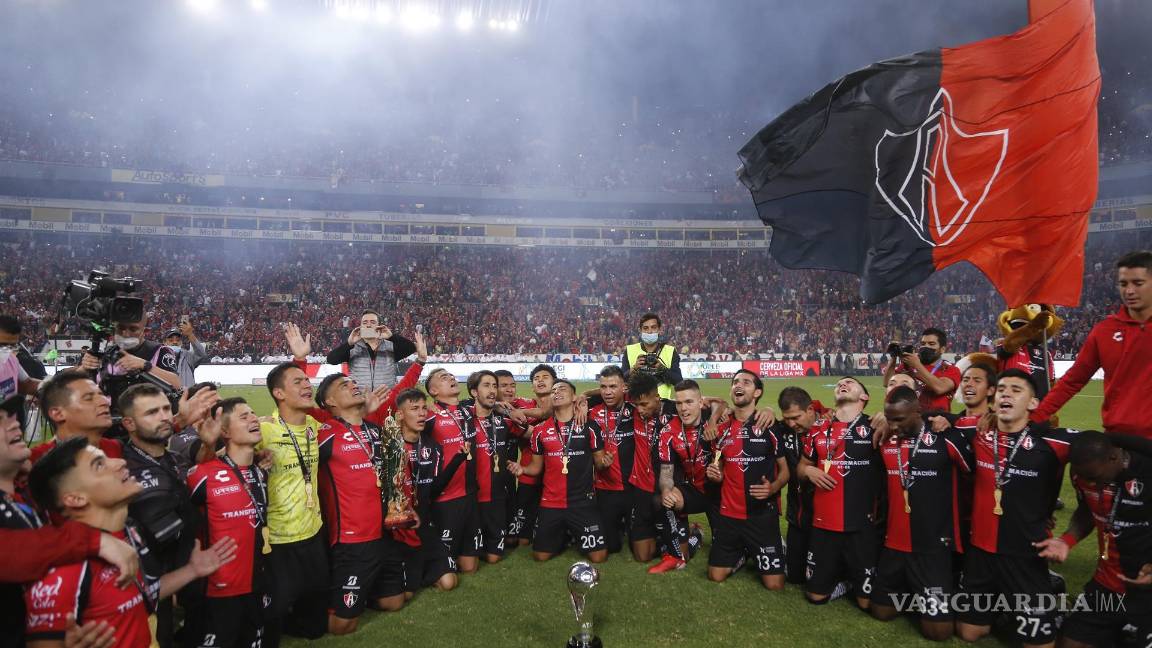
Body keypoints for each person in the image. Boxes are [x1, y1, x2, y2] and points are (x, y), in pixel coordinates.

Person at [24, 437, 236, 648]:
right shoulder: (64, 568)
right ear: (75, 499)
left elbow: (139, 597)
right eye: (99, 465)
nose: (120, 462)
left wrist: (191, 570)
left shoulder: (128, 531)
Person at [954, 369, 1077, 647]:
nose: (1006, 393)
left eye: (1016, 390)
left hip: (1025, 554)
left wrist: (1069, 538)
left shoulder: (1054, 441)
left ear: (1033, 404)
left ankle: (1047, 596)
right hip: (981, 552)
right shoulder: (977, 432)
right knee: (969, 633)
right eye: (1002, 389)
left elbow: (1104, 447)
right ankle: (1008, 609)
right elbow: (927, 420)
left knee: (1039, 644)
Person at [870, 386, 972, 641]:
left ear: (918, 412)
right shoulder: (885, 439)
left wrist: (950, 419)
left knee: (938, 633)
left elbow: (975, 475)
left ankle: (933, 593)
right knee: (881, 613)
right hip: (894, 545)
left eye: (899, 419)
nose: (893, 426)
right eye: (889, 418)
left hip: (932, 548)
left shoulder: (945, 437)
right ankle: (915, 592)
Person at [1040, 432, 1152, 648]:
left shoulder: (1146, 472)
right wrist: (1066, 540)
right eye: (1085, 478)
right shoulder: (1082, 474)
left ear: (1113, 457)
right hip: (1106, 585)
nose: (1092, 484)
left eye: (1094, 477)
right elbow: (1086, 511)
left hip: (1146, 590)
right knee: (1068, 644)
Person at [312, 371, 402, 634]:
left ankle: (361, 591)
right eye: (344, 386)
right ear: (329, 401)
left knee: (394, 601)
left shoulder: (375, 430)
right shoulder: (324, 435)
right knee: (343, 625)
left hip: (384, 532)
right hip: (352, 540)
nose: (353, 386)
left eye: (353, 383)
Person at [1032, 251, 1152, 436]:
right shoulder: (1104, 331)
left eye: (1138, 283)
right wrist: (1037, 417)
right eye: (1123, 284)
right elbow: (1072, 380)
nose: (1129, 291)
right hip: (1118, 443)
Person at [118, 384, 199, 648]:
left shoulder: (174, 459)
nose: (165, 416)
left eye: (166, 408)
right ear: (129, 423)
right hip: (149, 585)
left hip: (187, 573)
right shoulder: (120, 466)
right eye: (152, 412)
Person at [186, 398, 271, 648]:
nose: (254, 419)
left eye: (254, 414)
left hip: (257, 583)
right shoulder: (202, 475)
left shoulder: (261, 471)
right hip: (218, 589)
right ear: (224, 432)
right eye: (243, 417)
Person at [254, 362, 328, 642]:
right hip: (279, 538)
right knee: (271, 620)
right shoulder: (265, 430)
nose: (307, 385)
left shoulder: (314, 425)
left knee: (316, 628)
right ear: (279, 393)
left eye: (307, 381)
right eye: (297, 382)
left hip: (314, 531)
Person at [797, 376, 882, 610]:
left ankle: (854, 582)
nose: (842, 385)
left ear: (864, 397)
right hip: (824, 525)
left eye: (850, 383)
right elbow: (801, 467)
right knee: (815, 597)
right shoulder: (817, 429)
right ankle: (845, 583)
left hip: (861, 526)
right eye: (839, 384)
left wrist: (887, 418)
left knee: (867, 604)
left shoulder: (875, 427)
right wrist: (809, 471)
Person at [508, 380, 609, 563]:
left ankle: (570, 532)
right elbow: (536, 468)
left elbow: (600, 463)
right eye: (553, 390)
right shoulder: (540, 431)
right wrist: (522, 469)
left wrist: (605, 462)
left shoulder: (589, 426)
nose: (556, 392)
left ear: (573, 397)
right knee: (540, 556)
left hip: (582, 502)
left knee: (598, 557)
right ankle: (563, 536)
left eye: (562, 389)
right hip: (551, 502)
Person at [704, 371, 790, 589]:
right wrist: (716, 474)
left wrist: (773, 488)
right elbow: (720, 467)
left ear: (757, 392)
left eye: (746, 382)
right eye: (735, 383)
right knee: (715, 575)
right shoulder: (721, 430)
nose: (738, 386)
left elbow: (785, 471)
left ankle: (772, 544)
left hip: (761, 515)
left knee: (775, 585)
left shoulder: (769, 425)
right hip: (729, 515)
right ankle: (743, 552)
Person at [394, 388, 463, 594]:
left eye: (424, 408)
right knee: (404, 595)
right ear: (400, 415)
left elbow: (434, 490)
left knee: (449, 582)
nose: (422, 413)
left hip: (425, 523)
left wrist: (457, 460)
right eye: (414, 408)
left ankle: (420, 570)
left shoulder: (432, 446)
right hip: (398, 528)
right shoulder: (390, 447)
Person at [650, 379, 718, 574]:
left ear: (700, 402)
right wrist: (666, 490)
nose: (683, 408)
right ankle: (686, 544)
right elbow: (666, 472)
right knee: (664, 499)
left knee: (727, 549)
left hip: (720, 494)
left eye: (689, 402)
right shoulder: (668, 431)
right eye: (679, 403)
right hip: (693, 491)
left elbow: (726, 405)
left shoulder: (716, 421)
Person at [423, 368, 481, 574]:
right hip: (445, 497)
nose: (451, 378)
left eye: (451, 376)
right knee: (447, 565)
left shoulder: (467, 410)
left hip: (470, 494)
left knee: (470, 567)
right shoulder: (429, 416)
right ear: (433, 391)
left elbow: (494, 406)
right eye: (443, 378)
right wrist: (427, 405)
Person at [463, 370, 514, 564]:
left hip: (496, 499)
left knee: (493, 558)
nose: (492, 391)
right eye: (487, 386)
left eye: (494, 386)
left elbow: (534, 433)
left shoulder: (504, 422)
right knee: (470, 564)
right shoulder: (461, 420)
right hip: (470, 500)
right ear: (474, 392)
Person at [777, 387, 826, 585]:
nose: (791, 423)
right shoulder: (783, 429)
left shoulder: (831, 426)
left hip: (826, 514)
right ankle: (781, 546)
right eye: (787, 418)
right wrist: (766, 412)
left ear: (810, 410)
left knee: (819, 576)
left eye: (796, 417)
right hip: (797, 512)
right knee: (794, 577)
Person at [505, 364, 557, 548]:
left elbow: (546, 412)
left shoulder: (563, 404)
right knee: (522, 539)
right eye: (536, 378)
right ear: (532, 386)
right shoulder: (521, 403)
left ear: (555, 383)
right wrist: (507, 408)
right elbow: (497, 403)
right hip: (528, 473)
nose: (540, 380)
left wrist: (518, 413)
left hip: (556, 476)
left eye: (545, 377)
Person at [590, 365, 637, 556]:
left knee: (641, 550)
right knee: (612, 547)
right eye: (603, 387)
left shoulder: (636, 409)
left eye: (612, 386)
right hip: (606, 489)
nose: (607, 392)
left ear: (624, 387)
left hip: (634, 487)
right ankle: (617, 524)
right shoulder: (591, 413)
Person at [31, 370, 123, 463]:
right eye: (88, 399)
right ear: (58, 414)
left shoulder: (115, 448)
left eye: (101, 395)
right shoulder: (35, 460)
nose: (105, 402)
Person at [325, 310, 416, 391]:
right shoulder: (352, 348)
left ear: (379, 326)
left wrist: (391, 337)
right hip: (360, 402)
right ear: (360, 326)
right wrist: (349, 343)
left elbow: (411, 348)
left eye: (373, 322)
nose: (368, 325)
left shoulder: (390, 346)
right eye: (365, 322)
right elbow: (331, 360)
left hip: (386, 401)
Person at [884, 328, 961, 412]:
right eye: (923, 343)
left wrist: (916, 365)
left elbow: (940, 388)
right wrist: (893, 357)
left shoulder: (950, 369)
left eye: (931, 344)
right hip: (911, 420)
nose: (926, 346)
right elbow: (887, 382)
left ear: (942, 349)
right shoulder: (910, 364)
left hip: (936, 421)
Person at [621, 313, 682, 400]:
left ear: (659, 329)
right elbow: (621, 380)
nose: (649, 331)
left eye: (653, 327)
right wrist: (634, 368)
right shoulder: (629, 350)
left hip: (662, 404)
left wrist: (662, 369)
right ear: (640, 330)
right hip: (636, 404)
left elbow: (679, 381)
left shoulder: (670, 351)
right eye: (645, 328)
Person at [0, 314, 41, 401]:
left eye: (12, 345)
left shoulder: (12, 360)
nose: (6, 349)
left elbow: (27, 383)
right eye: (2, 344)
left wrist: (54, 386)